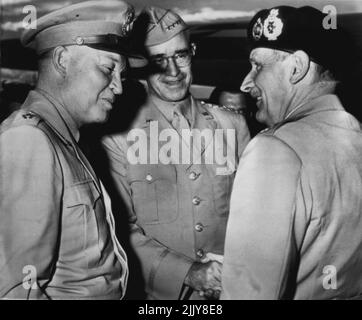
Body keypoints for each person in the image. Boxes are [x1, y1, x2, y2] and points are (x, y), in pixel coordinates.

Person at [101, 7, 250, 300]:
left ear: (192, 52)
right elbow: (118, 231)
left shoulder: (232, 125)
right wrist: (188, 273)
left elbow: (253, 216)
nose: (173, 72)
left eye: (180, 55)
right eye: (158, 61)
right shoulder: (118, 137)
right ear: (142, 65)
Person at [0, 0, 144, 299]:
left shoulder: (65, 139)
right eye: (108, 69)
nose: (118, 87)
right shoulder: (29, 140)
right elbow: (18, 291)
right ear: (63, 59)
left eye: (122, 75)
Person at [221, 6, 362, 299]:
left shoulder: (274, 150)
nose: (246, 83)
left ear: (296, 67)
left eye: (258, 66)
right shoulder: (356, 134)